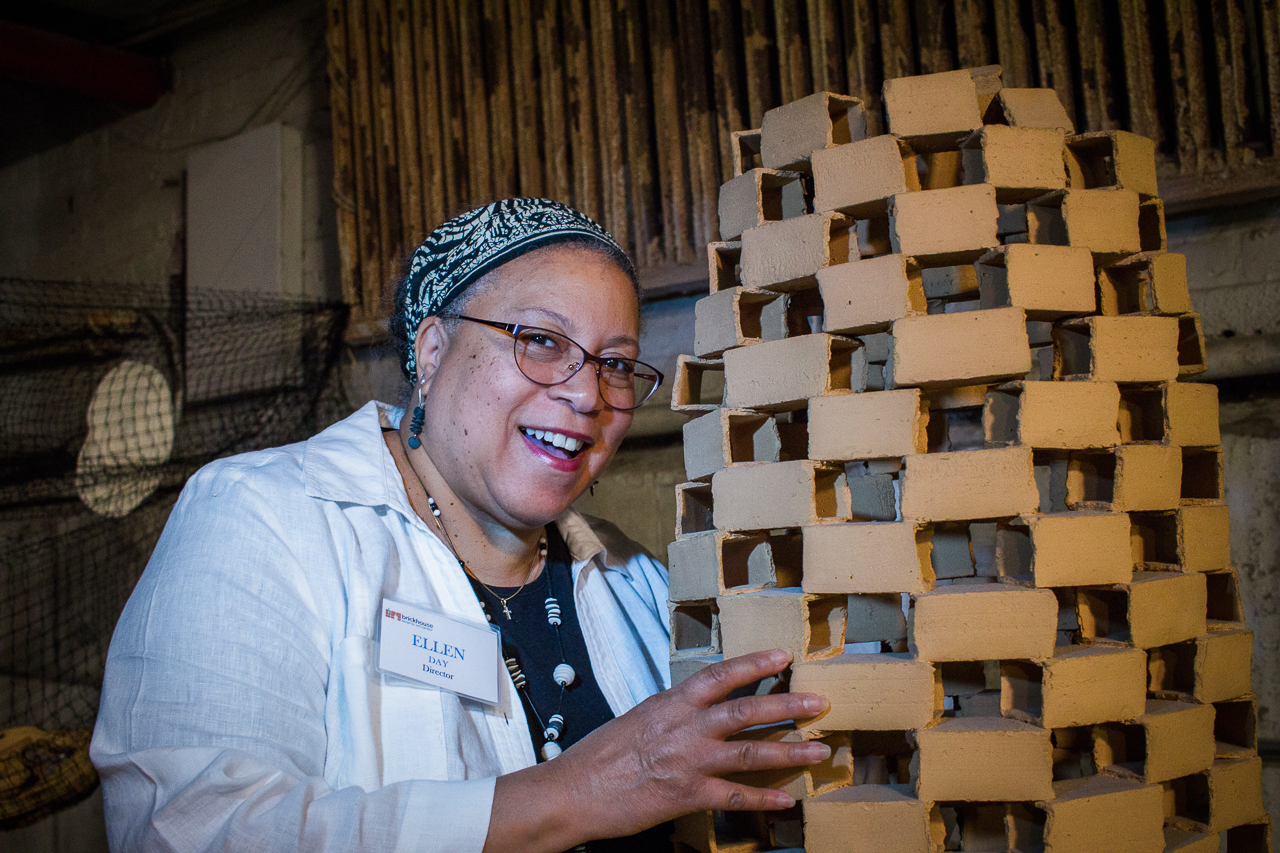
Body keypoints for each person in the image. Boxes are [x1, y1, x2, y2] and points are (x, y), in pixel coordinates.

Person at [91, 198, 830, 852]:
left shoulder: (637, 579)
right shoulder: (264, 519)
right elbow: (187, 828)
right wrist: (579, 792)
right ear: (433, 349)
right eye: (541, 340)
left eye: (615, 364)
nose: (585, 395)